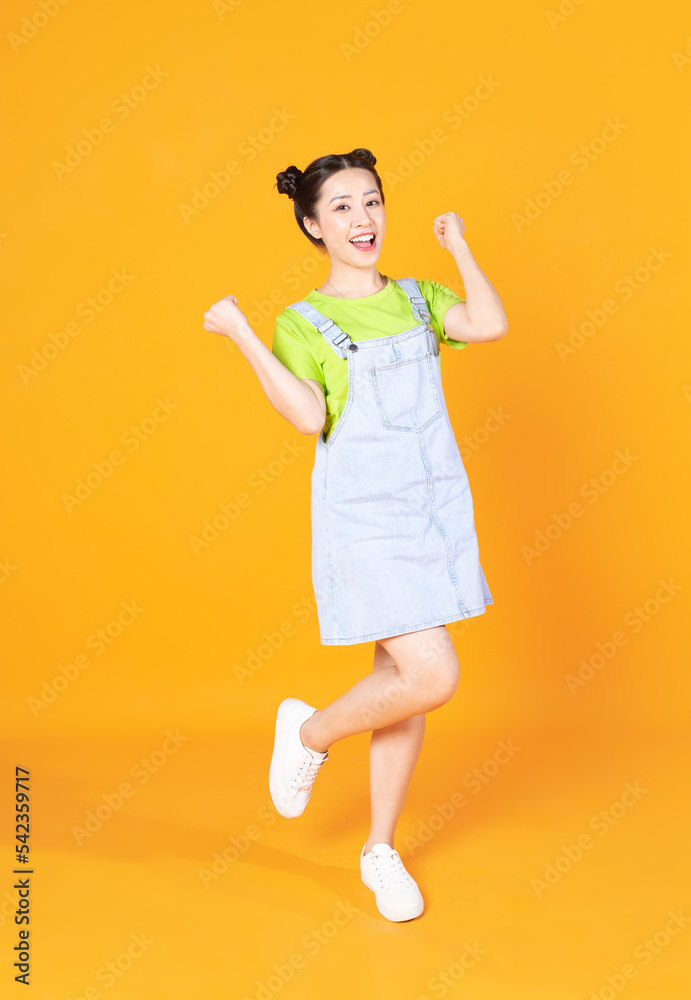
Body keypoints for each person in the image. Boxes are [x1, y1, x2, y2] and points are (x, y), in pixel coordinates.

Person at [202, 146, 508, 923]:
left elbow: (490, 323)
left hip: (430, 513)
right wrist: (242, 333)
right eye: (340, 207)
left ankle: (379, 851)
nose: (361, 219)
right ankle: (308, 734)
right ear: (311, 225)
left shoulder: (416, 298)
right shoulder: (300, 322)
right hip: (365, 523)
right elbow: (309, 418)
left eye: (370, 201)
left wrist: (459, 247)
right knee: (431, 675)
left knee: (402, 696)